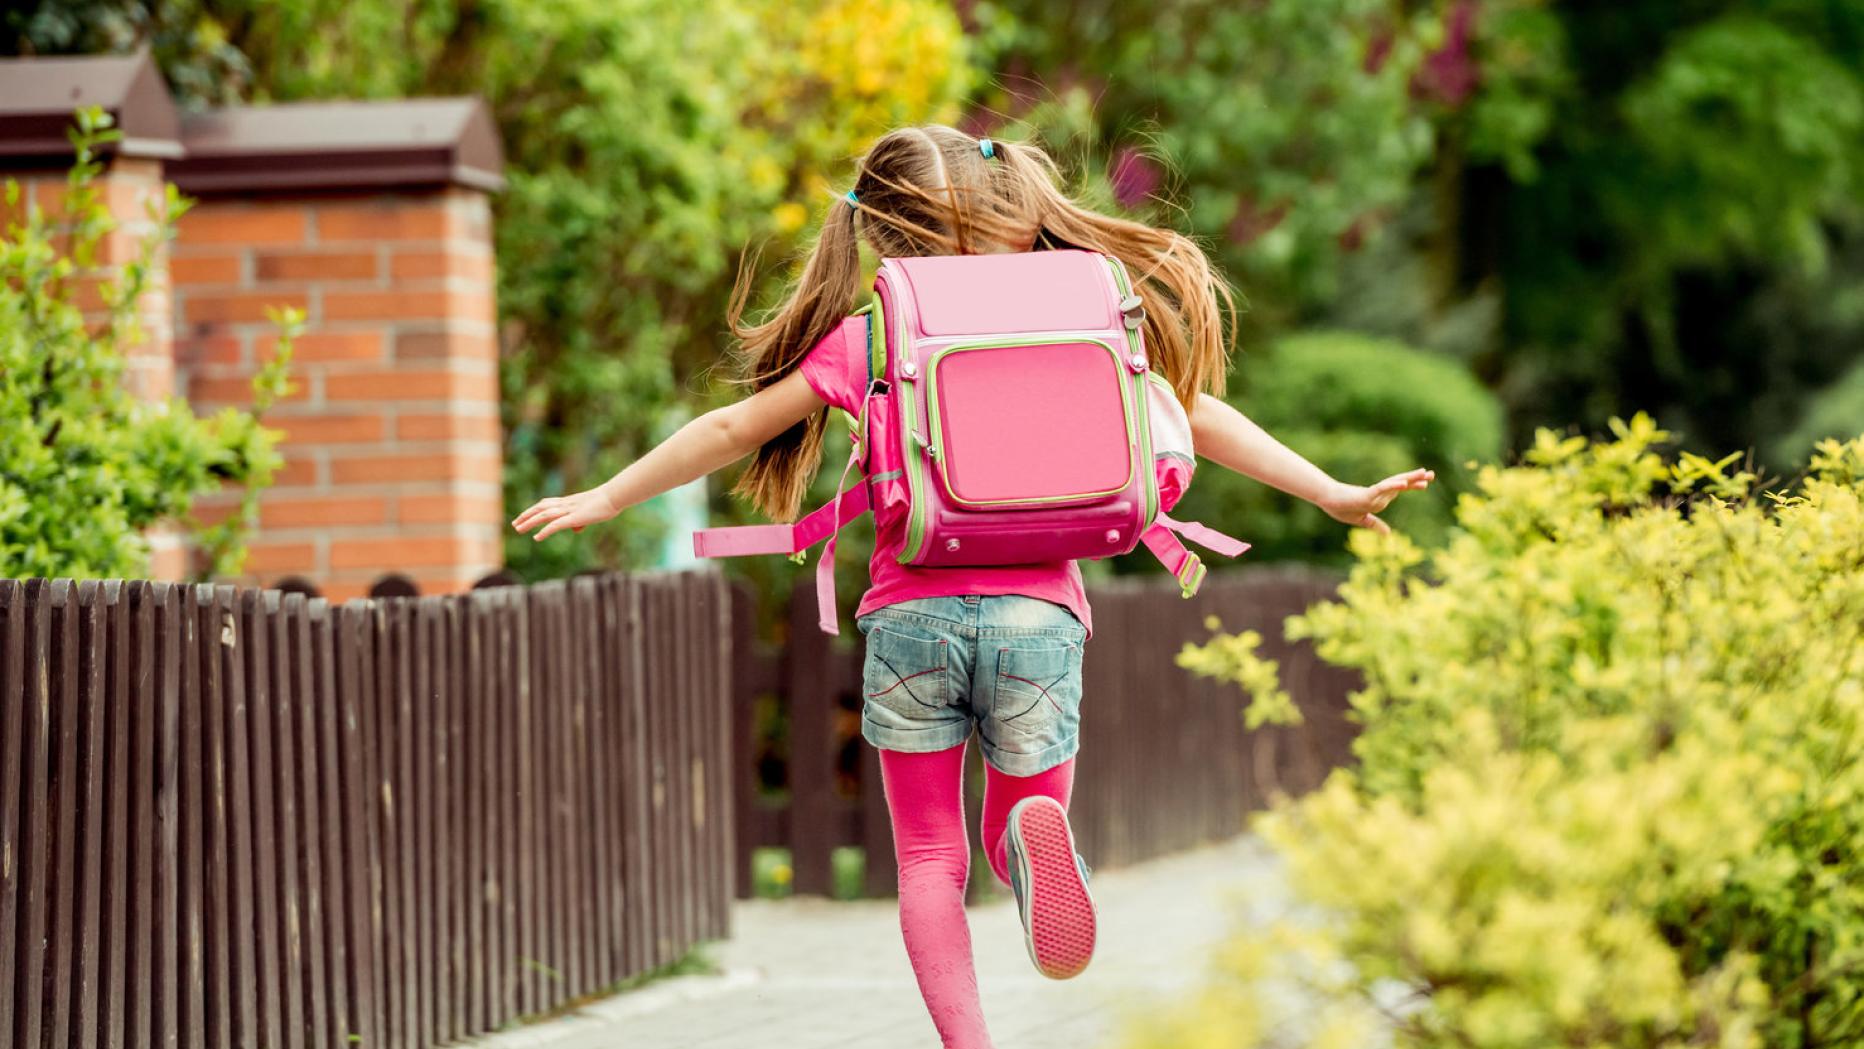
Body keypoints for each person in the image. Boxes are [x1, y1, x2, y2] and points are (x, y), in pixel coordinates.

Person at [512, 125, 1433, 1049]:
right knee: (1017, 818)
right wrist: (1331, 491)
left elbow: (728, 429)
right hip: (1040, 617)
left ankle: (969, 1044)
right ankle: (1035, 830)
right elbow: (1200, 414)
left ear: (886, 238)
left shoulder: (872, 334)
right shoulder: (1087, 315)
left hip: (911, 614)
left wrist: (606, 494)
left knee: (926, 856)